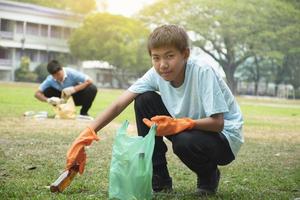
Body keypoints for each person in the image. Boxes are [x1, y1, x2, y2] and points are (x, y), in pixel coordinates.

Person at [66, 25, 244, 196]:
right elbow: (119, 104)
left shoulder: (202, 71)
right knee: (144, 99)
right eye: (156, 57)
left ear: (185, 54)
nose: (162, 64)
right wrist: (87, 134)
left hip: (223, 139)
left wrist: (183, 123)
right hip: (185, 127)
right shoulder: (155, 74)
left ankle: (208, 177)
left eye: (169, 56)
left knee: (183, 141)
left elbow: (218, 123)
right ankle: (159, 178)